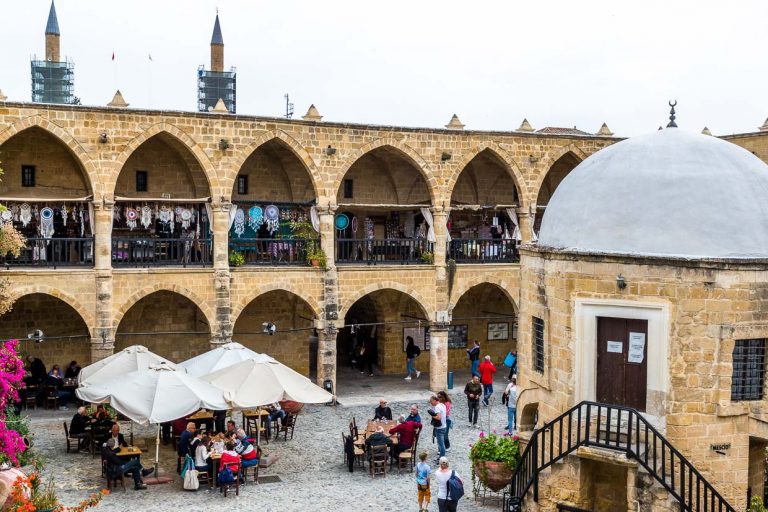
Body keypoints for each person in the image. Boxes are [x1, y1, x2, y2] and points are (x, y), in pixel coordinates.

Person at [429, 395, 447, 460]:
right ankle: (441, 457)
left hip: (439, 428)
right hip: (444, 426)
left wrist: (433, 416)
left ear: (434, 400)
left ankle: (442, 459)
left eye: (431, 402)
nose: (431, 403)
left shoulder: (437, 407)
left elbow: (438, 418)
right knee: (442, 444)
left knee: (441, 445)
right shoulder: (443, 405)